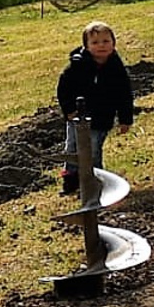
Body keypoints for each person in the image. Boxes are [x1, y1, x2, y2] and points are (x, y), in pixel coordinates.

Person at [56, 20, 136, 196]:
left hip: (101, 119)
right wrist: (69, 110)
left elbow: (124, 95)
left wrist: (125, 119)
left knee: (92, 151)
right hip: (76, 117)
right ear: (86, 46)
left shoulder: (116, 68)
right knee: (72, 149)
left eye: (106, 41)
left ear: (113, 43)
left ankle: (94, 182)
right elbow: (64, 89)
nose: (101, 46)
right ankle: (70, 181)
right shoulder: (77, 66)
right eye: (95, 42)